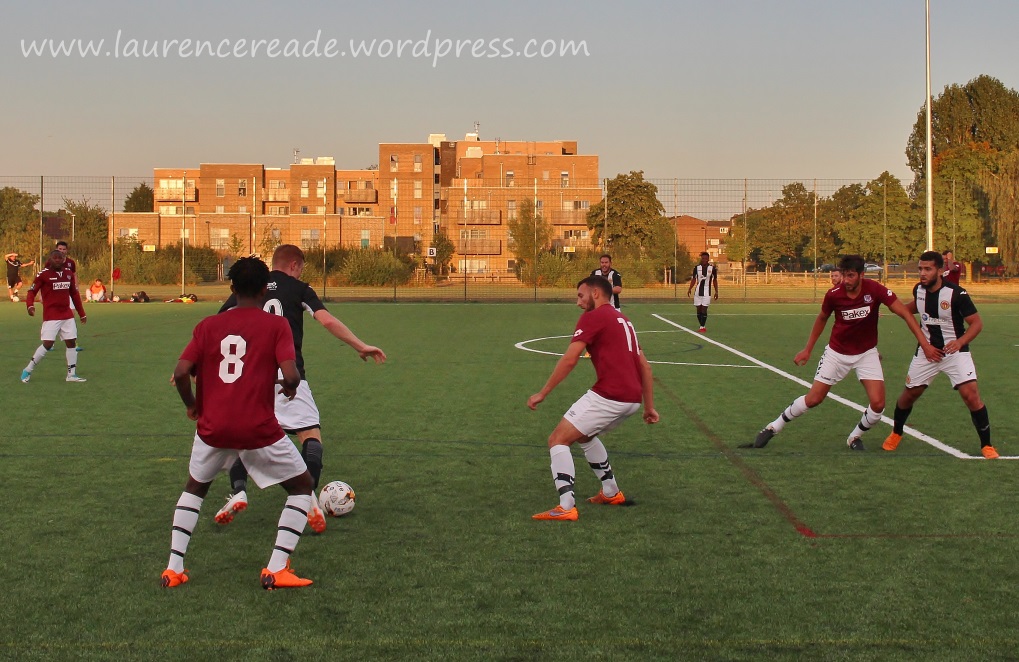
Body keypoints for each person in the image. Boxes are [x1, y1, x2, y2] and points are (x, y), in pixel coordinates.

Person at [163, 256, 314, 590]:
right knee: (302, 487)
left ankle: (173, 568)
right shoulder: (276, 326)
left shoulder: (208, 325)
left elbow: (181, 372)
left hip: (212, 427)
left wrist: (192, 405)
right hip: (257, 429)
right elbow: (291, 375)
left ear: (232, 288)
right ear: (264, 290)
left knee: (195, 489)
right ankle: (276, 568)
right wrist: (289, 386)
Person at [214, 244, 387, 533]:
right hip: (289, 377)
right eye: (301, 268)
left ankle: (239, 491)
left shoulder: (252, 286)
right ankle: (306, 498)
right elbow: (326, 320)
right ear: (294, 265)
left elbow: (217, 325)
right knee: (310, 436)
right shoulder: (299, 288)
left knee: (243, 441)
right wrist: (360, 345)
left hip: (251, 380)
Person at [744, 255, 940, 451]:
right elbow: (822, 318)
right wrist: (808, 349)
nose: (846, 280)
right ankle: (773, 427)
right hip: (836, 354)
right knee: (814, 399)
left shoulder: (875, 290)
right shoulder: (834, 295)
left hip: (866, 353)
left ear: (862, 275)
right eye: (844, 275)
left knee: (878, 405)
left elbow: (905, 313)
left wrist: (925, 344)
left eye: (851, 275)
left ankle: (854, 437)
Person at [527, 276, 659, 521]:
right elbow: (646, 367)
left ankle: (566, 506)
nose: (578, 302)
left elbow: (570, 359)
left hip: (610, 394)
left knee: (557, 439)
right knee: (585, 436)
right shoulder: (625, 321)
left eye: (581, 295)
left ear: (595, 293)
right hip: (632, 399)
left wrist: (543, 392)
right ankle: (611, 492)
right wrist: (648, 407)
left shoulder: (594, 317)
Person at [882, 251, 999, 459]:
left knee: (971, 395)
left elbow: (976, 323)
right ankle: (896, 433)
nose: (922, 273)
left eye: (928, 269)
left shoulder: (956, 294)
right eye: (920, 269)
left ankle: (987, 445)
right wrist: (883, 304)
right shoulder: (919, 290)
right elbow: (908, 309)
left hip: (955, 352)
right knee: (909, 395)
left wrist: (960, 342)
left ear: (939, 271)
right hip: (926, 353)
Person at [21, 250, 87, 383]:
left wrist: (82, 313)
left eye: (60, 258)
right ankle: (28, 370)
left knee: (71, 342)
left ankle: (71, 374)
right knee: (48, 344)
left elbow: (74, 294)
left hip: (67, 315)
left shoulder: (68, 274)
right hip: (51, 316)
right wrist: (30, 305)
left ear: (64, 259)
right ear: (50, 259)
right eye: (54, 258)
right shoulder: (43, 274)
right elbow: (32, 291)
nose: (57, 260)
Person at [686, 252, 719, 333]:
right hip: (698, 291)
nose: (704, 260)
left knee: (704, 309)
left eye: (705, 259)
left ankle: (702, 327)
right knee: (699, 310)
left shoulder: (712, 268)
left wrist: (716, 291)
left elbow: (715, 280)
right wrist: (690, 288)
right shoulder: (697, 268)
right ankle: (701, 325)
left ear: (708, 259)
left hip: (707, 291)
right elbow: (694, 279)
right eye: (702, 258)